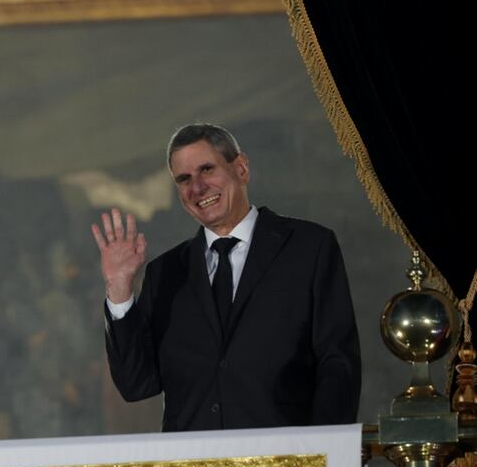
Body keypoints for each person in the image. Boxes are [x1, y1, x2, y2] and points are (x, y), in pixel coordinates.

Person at [92, 123, 360, 431]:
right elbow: (137, 384)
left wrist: (325, 448)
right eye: (184, 179)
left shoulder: (309, 248)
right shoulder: (165, 273)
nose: (197, 188)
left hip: (285, 455)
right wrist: (119, 288)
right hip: (193, 459)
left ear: (241, 168)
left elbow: (338, 364)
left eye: (207, 169)